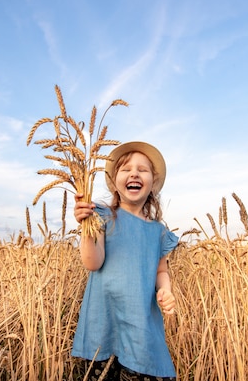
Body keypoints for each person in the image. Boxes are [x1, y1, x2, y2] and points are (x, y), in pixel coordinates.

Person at [71, 141, 178, 381]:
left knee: (146, 369)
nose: (134, 173)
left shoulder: (158, 232)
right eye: (126, 169)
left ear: (153, 183)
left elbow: (161, 271)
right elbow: (93, 262)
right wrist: (86, 225)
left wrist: (166, 291)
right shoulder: (101, 216)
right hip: (104, 322)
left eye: (143, 170)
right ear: (114, 182)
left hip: (141, 322)